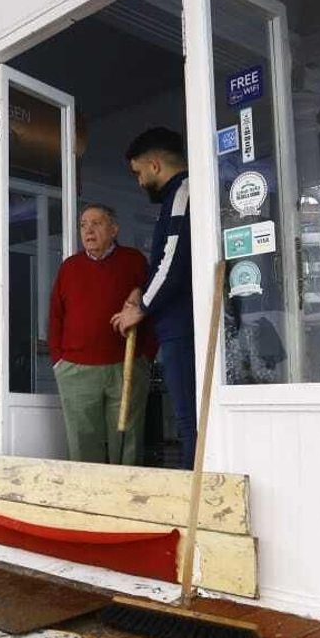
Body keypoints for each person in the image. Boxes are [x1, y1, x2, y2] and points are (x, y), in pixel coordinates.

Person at [112, 127, 196, 469]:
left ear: (156, 166)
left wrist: (142, 307)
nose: (139, 182)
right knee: (188, 418)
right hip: (177, 324)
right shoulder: (179, 196)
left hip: (183, 324)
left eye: (138, 173)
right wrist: (142, 291)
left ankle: (198, 503)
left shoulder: (182, 193)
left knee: (189, 421)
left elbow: (173, 262)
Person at [50, 204, 156, 465]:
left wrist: (148, 356)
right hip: (76, 370)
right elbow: (55, 316)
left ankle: (126, 501)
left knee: (127, 440)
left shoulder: (134, 261)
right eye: (84, 224)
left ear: (114, 229)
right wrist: (58, 361)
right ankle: (89, 500)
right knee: (83, 442)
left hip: (127, 364)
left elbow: (154, 301)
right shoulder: (69, 268)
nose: (89, 230)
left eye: (97, 223)